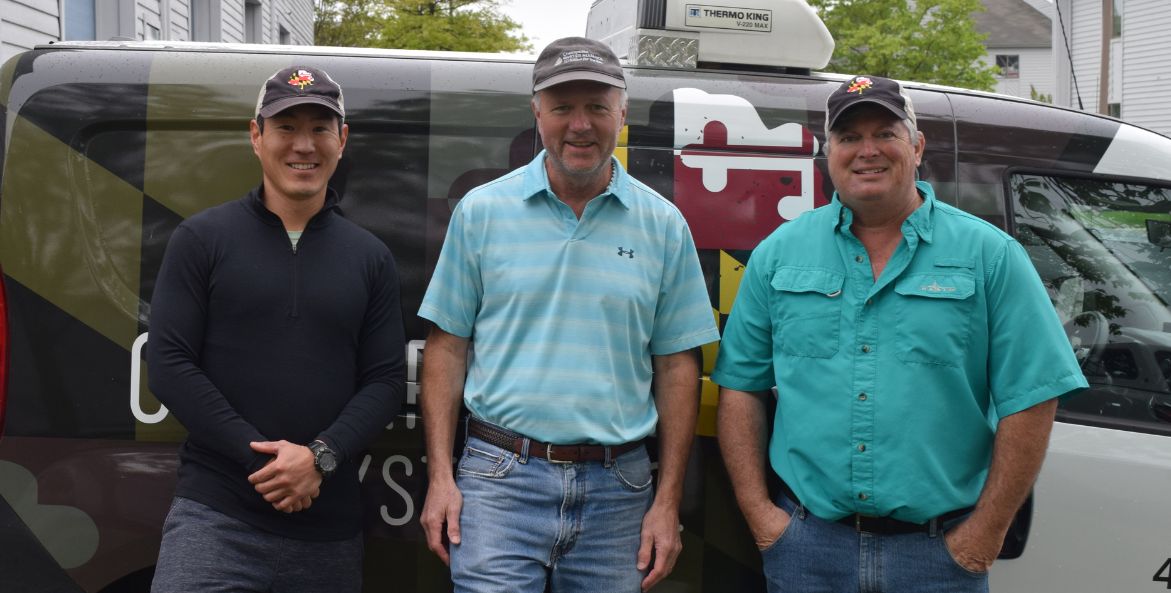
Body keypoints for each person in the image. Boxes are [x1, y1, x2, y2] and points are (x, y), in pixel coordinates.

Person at [712, 75, 1087, 592]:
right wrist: (761, 515)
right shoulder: (780, 253)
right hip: (807, 550)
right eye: (848, 137)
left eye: (885, 133)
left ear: (916, 146)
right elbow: (740, 386)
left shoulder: (990, 256)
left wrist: (984, 534)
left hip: (938, 557)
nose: (867, 151)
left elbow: (1032, 397)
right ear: (829, 153)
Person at [418, 37, 720, 593]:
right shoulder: (482, 212)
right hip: (499, 482)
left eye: (597, 107)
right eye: (562, 107)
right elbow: (446, 348)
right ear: (537, 113)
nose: (580, 125)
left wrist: (667, 499)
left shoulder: (664, 225)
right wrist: (440, 475)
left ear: (622, 114)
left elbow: (678, 368)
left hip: (620, 489)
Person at [147, 66, 406, 593]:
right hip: (215, 520)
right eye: (286, 127)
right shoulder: (202, 239)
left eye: (320, 128)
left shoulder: (370, 257)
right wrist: (266, 463)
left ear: (342, 139)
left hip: (328, 533)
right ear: (256, 136)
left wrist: (319, 458)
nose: (303, 146)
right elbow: (169, 366)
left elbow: (384, 383)